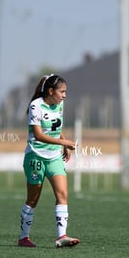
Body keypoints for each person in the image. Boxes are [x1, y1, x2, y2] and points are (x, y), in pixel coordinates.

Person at [18, 74, 80, 248]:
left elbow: (56, 126)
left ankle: (62, 236)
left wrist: (64, 144)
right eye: (62, 91)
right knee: (33, 199)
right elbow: (38, 135)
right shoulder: (35, 106)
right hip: (35, 157)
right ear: (51, 91)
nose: (65, 95)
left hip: (53, 157)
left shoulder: (59, 104)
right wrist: (64, 142)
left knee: (62, 194)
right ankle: (23, 238)